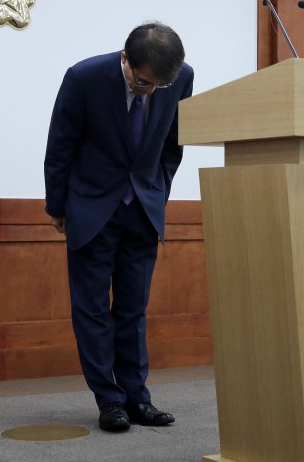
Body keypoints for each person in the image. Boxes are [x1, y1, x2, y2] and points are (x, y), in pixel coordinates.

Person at [43, 22, 194, 432]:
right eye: (142, 81)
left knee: (132, 309)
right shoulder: (85, 77)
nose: (149, 90)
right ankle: (108, 400)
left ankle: (137, 397)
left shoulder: (181, 79)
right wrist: (57, 206)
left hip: (142, 209)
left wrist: (157, 194)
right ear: (125, 58)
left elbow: (172, 145)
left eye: (159, 86)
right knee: (91, 309)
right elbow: (61, 145)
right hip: (91, 207)